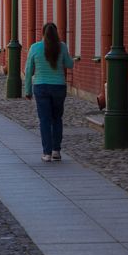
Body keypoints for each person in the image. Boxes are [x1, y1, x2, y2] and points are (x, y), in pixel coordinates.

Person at [24, 22, 74, 162]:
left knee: (45, 120)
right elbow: (70, 65)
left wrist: (27, 90)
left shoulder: (34, 48)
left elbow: (28, 71)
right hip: (59, 87)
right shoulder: (62, 46)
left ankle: (47, 153)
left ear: (42, 33)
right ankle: (56, 150)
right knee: (57, 119)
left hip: (41, 87)